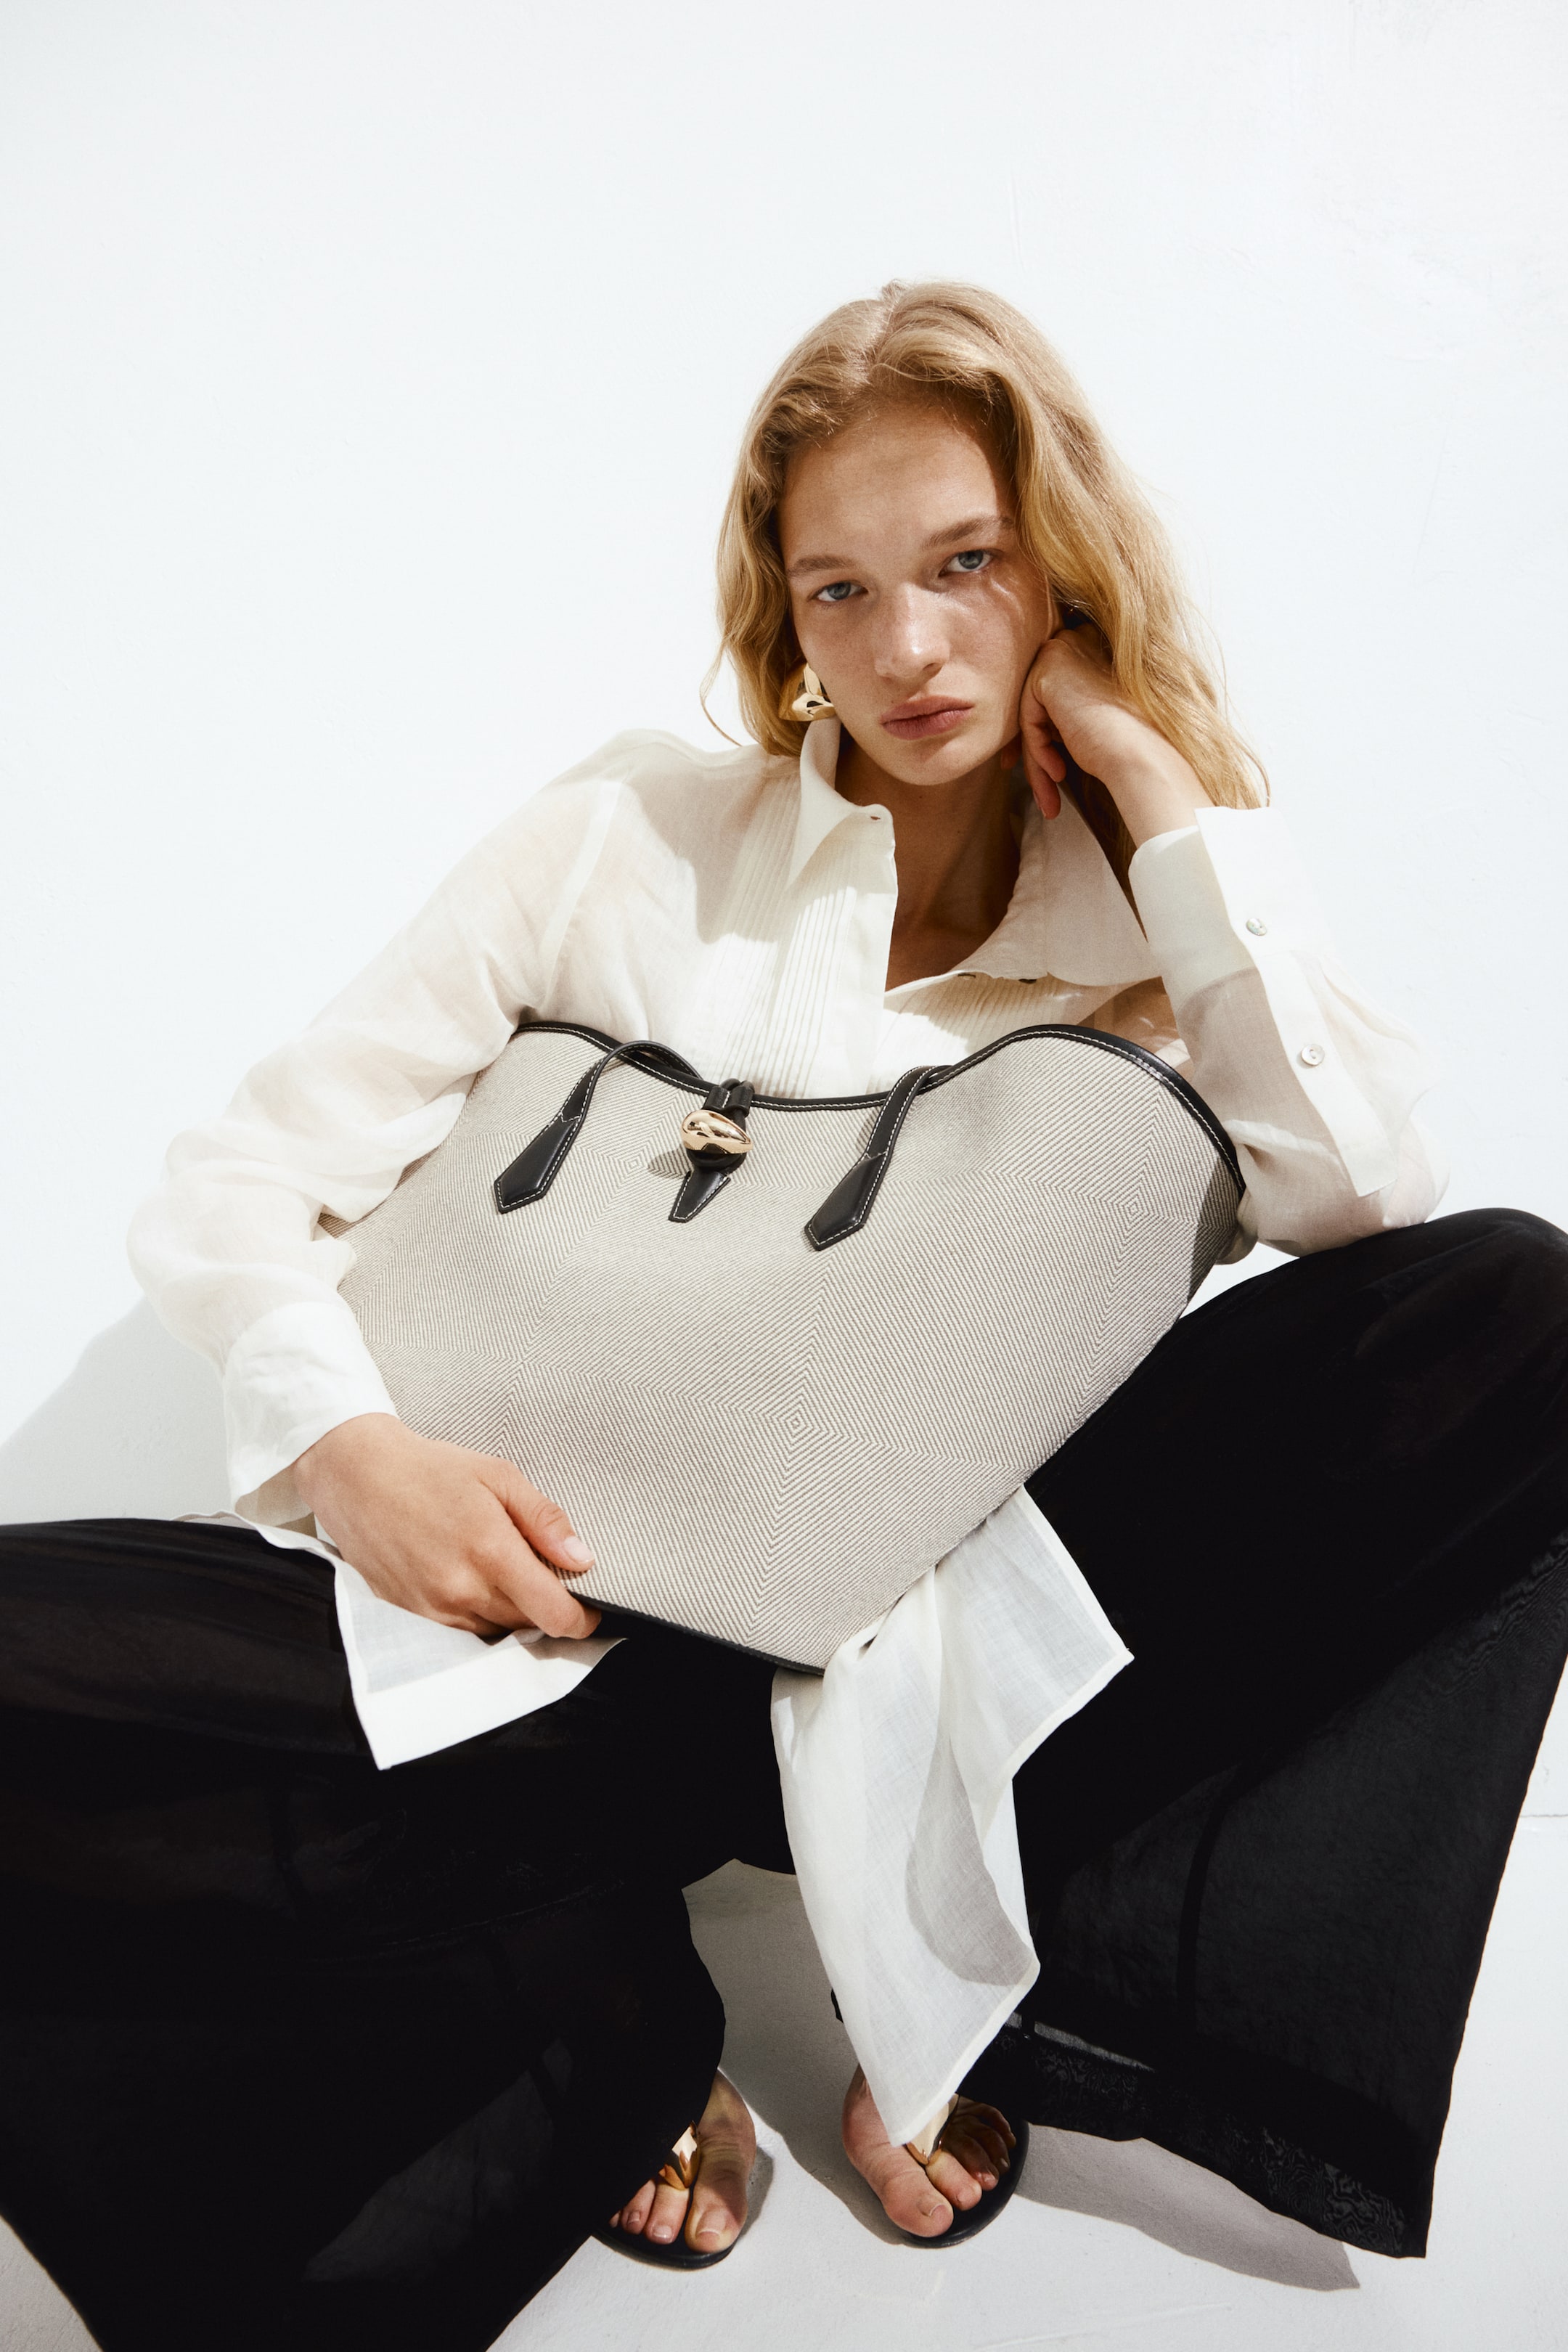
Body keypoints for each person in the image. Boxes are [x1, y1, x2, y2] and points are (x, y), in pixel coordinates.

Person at [1, 282, 1564, 2347]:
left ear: (1066, 574)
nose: (907, 648)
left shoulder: (1154, 921)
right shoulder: (633, 836)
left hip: (916, 1648)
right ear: (785, 616)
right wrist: (355, 1456)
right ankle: (596, 1979)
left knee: (1517, 1307)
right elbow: (237, 1180)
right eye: (842, 590)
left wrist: (1158, 787)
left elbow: (1355, 1195)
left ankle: (974, 1964)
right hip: (536, 1617)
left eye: (969, 565)